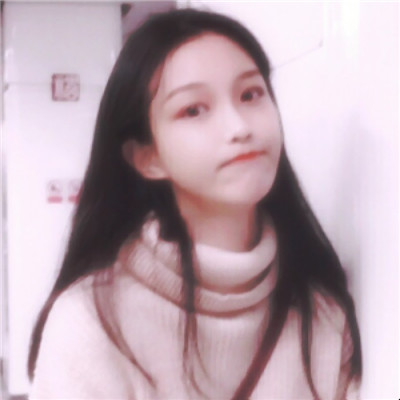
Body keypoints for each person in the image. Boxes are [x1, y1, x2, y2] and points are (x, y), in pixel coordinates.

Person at [28, 8, 362, 400]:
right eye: (193, 110)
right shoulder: (90, 323)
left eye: (250, 94)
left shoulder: (323, 318)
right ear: (147, 157)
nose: (240, 127)